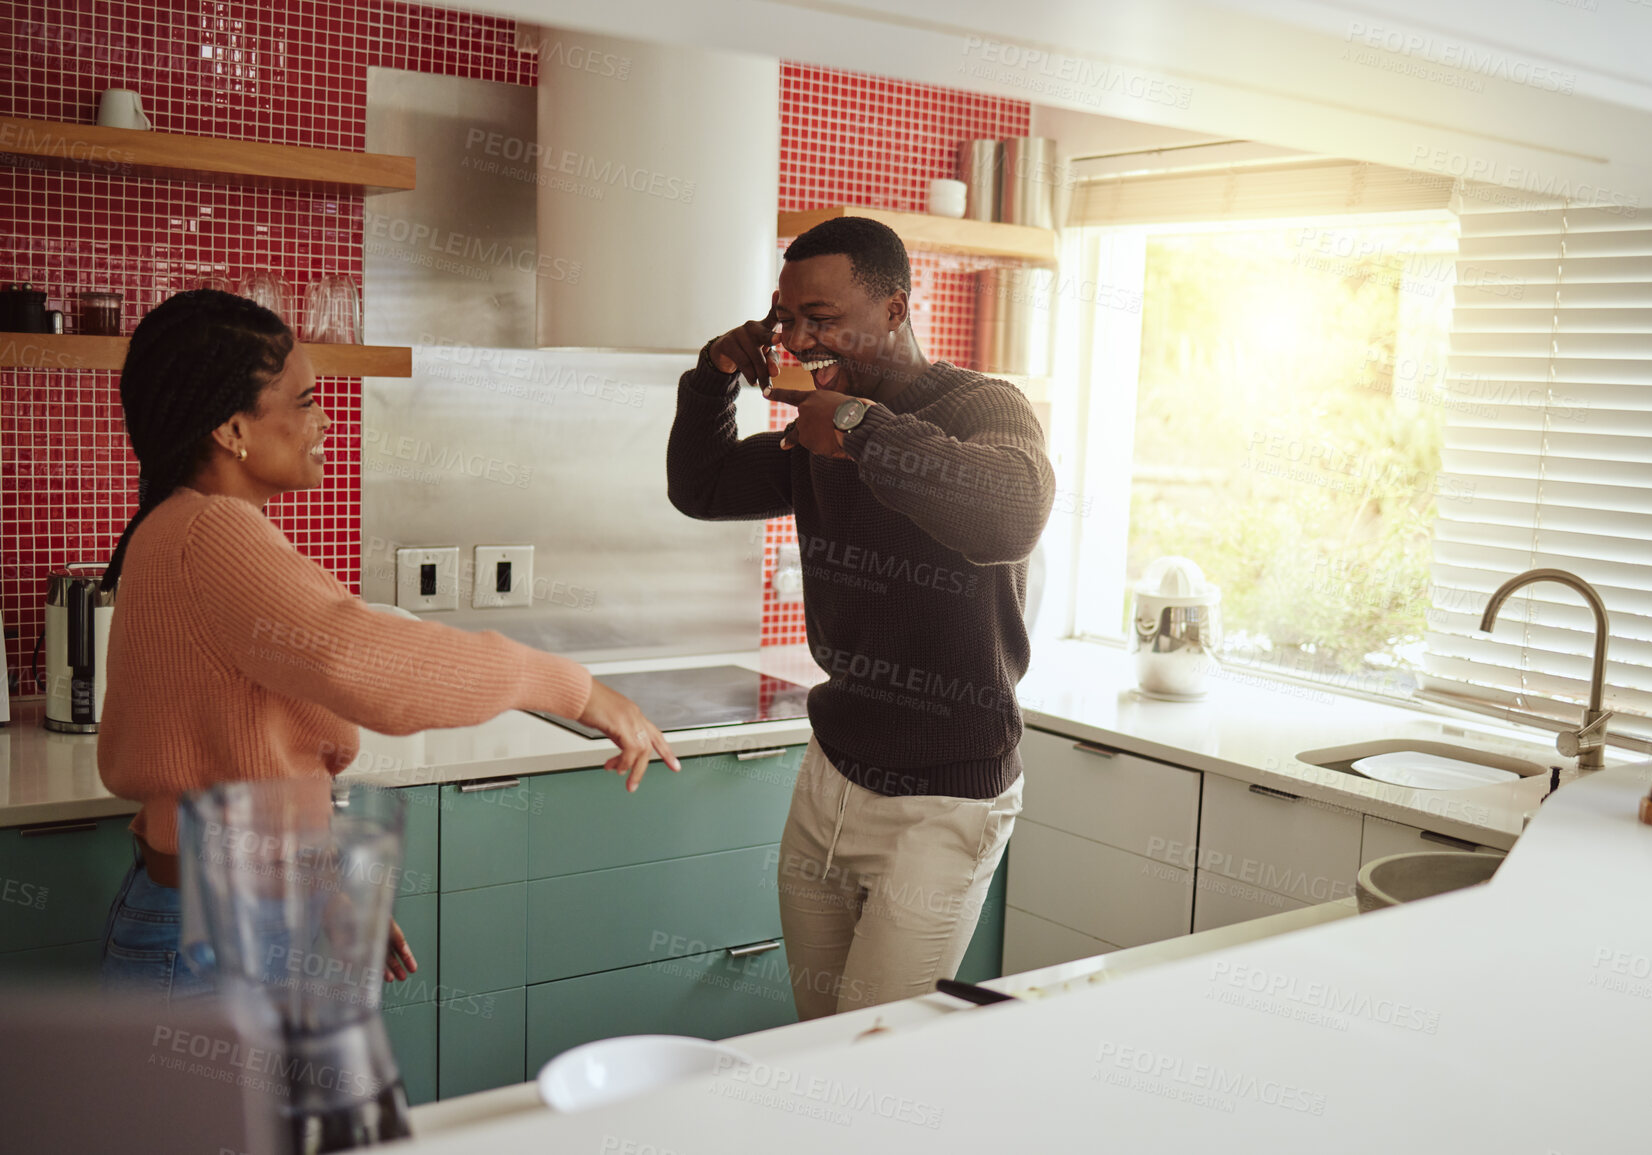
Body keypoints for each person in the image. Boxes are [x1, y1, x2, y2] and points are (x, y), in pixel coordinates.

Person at [97, 290, 679, 1000]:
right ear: (231, 428)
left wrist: (322, 888)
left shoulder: (181, 526)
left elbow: (244, 764)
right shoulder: (214, 532)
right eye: (305, 400)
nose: (326, 418)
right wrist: (576, 689)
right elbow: (364, 663)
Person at [666, 217, 1055, 1018]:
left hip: (945, 798)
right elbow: (700, 488)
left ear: (894, 309)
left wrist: (852, 426)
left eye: (821, 317)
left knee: (881, 1049)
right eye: (786, 318)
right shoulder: (817, 425)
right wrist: (712, 377)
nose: (800, 337)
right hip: (831, 778)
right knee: (819, 1034)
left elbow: (1011, 512)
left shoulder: (982, 405)